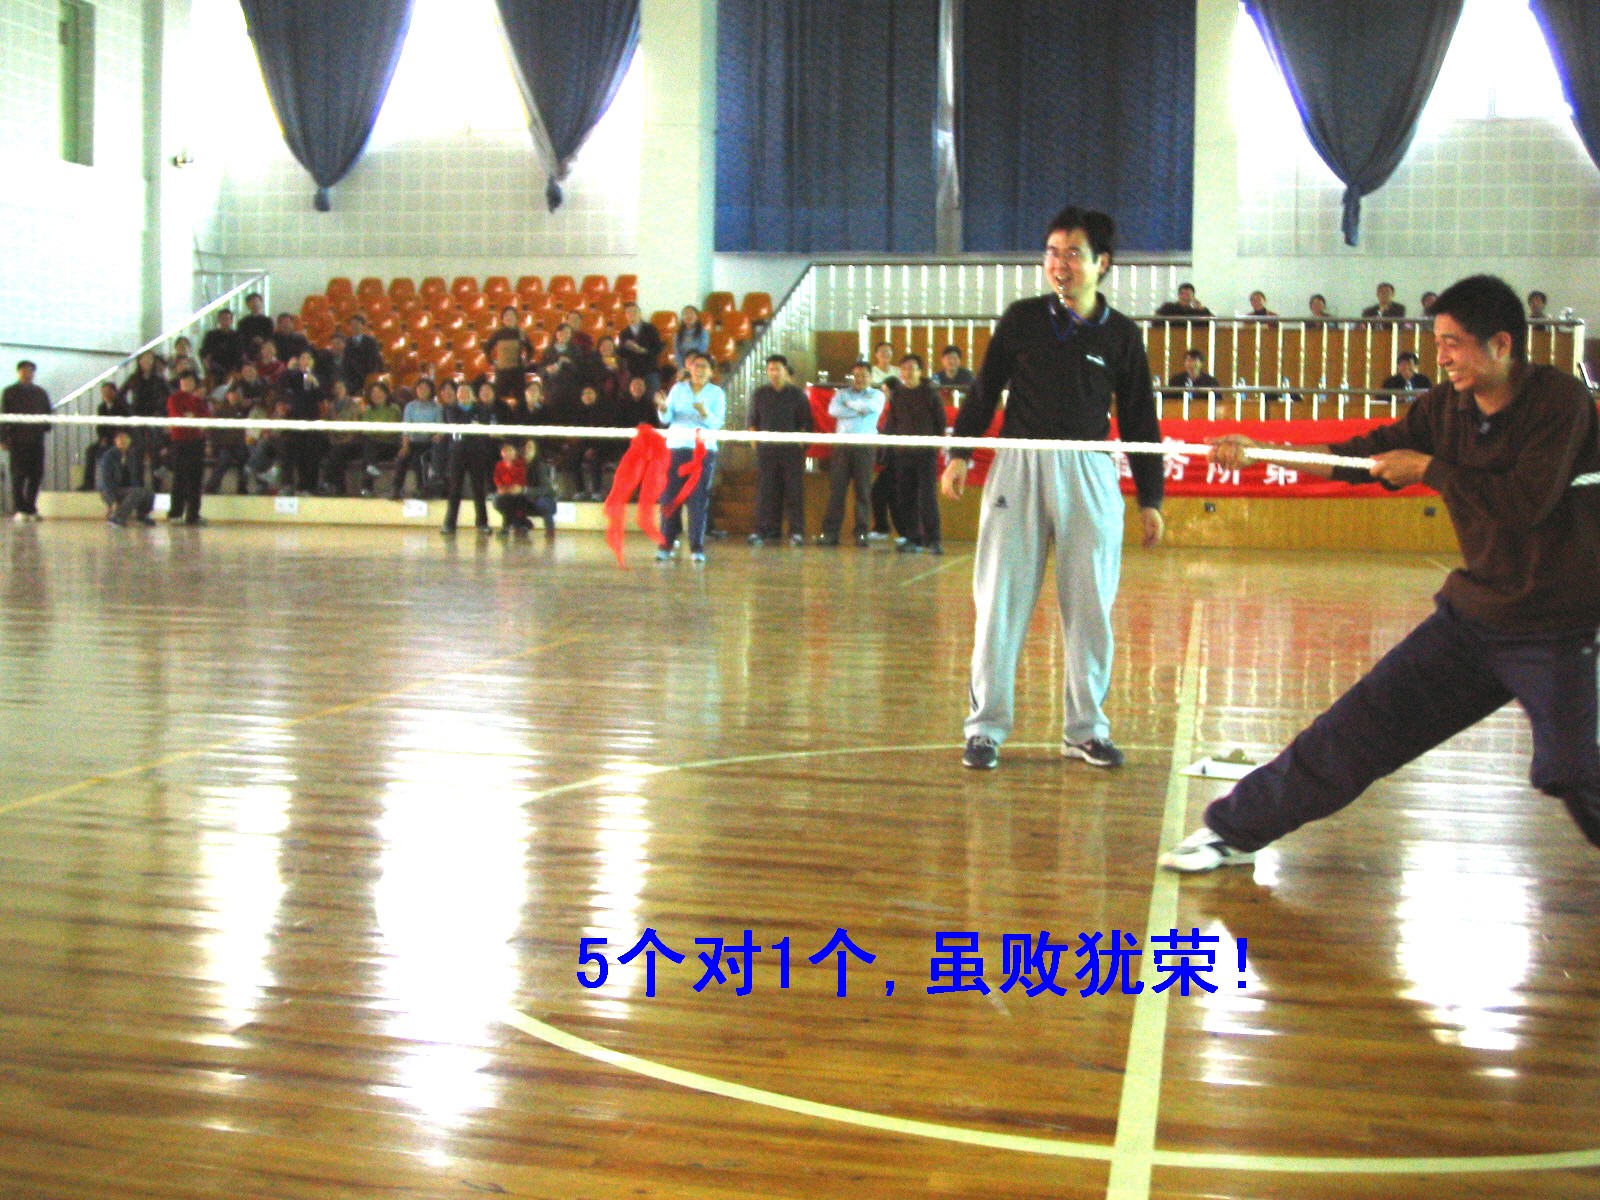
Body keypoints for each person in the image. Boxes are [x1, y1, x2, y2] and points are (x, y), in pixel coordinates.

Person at [1161, 274, 1600, 872]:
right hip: (1475, 618)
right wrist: (1260, 449)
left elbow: (1526, 502)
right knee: (1357, 728)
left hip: (1560, 628)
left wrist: (1428, 469)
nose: (1441, 357)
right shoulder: (1445, 408)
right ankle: (1233, 831)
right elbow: (1360, 458)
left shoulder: (1559, 402)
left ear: (1501, 345)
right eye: (1438, 342)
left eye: (1453, 343)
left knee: (1574, 770)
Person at [941, 205, 1165, 771]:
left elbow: (1140, 418)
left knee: (1090, 608)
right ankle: (985, 728)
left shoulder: (1121, 335)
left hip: (1088, 468)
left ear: (1102, 263)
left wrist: (1151, 499)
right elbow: (984, 390)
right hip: (1018, 465)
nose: (1059, 264)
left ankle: (1085, 730)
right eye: (1051, 252)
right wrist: (960, 453)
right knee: (999, 601)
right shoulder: (1021, 319)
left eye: (1073, 254)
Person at [654, 352, 725, 563]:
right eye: (696, 366)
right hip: (676, 447)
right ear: (689, 369)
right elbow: (667, 418)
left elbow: (717, 423)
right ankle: (665, 545)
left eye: (704, 366)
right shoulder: (678, 389)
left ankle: (696, 547)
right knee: (669, 498)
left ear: (711, 372)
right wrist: (663, 408)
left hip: (702, 450)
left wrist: (703, 412)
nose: (699, 370)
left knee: (697, 499)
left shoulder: (716, 393)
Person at [818, 361, 886, 547]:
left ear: (871, 377)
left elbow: (872, 409)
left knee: (863, 491)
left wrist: (848, 405)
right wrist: (859, 409)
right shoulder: (841, 393)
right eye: (856, 375)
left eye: (864, 375)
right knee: (837, 491)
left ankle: (862, 533)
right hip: (842, 446)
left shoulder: (877, 395)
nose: (860, 379)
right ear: (851, 377)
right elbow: (833, 410)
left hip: (865, 447)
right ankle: (830, 533)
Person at [747, 354, 813, 546]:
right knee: (765, 492)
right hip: (766, 451)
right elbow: (753, 421)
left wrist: (800, 446)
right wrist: (755, 443)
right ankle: (764, 530)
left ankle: (796, 532)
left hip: (791, 452)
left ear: (785, 370)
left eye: (777, 369)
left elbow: (806, 424)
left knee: (794, 492)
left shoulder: (797, 395)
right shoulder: (760, 394)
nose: (774, 373)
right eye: (770, 369)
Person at [883, 353, 944, 554]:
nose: (907, 372)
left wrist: (933, 445)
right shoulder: (897, 395)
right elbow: (892, 422)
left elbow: (940, 423)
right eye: (904, 369)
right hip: (903, 455)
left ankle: (933, 539)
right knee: (905, 497)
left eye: (912, 368)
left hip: (926, 454)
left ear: (920, 371)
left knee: (927, 498)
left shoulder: (930, 393)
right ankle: (913, 539)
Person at [440, 377, 495, 535]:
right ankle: (449, 524)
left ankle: (482, 523)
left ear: (472, 394)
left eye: (466, 392)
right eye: (460, 392)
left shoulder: (482, 409)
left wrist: (473, 425)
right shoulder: (451, 409)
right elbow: (457, 424)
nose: (463, 394)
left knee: (478, 489)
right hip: (457, 452)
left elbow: (484, 425)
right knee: (455, 489)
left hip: (477, 452)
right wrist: (472, 424)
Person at [2, 360, 50, 522]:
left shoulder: (40, 393)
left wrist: (44, 427)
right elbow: (4, 415)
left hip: (36, 439)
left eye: (29, 371)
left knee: (36, 475)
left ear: (33, 373)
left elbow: (47, 413)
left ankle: (30, 508)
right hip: (17, 440)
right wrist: (3, 438)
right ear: (18, 372)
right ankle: (20, 508)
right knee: (18, 475)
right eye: (23, 370)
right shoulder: (9, 392)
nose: (26, 373)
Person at [166, 369, 210, 525]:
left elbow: (205, 417)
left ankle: (193, 515)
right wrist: (192, 418)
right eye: (183, 381)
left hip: (196, 442)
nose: (186, 384)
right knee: (179, 478)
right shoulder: (174, 398)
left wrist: (193, 417)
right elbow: (178, 416)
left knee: (195, 479)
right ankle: (175, 513)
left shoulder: (198, 400)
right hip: (180, 442)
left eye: (190, 381)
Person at [392, 377, 445, 499]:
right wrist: (405, 445)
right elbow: (406, 427)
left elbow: (440, 427)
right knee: (401, 458)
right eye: (420, 388)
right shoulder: (410, 406)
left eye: (426, 388)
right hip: (412, 441)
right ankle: (396, 488)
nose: (422, 390)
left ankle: (421, 489)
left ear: (431, 390)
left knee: (418, 458)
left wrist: (438, 435)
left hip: (428, 443)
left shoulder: (437, 407)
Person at [97, 429, 156, 526]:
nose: (123, 441)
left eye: (125, 439)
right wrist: (113, 500)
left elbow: (135, 478)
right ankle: (117, 517)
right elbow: (105, 481)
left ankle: (142, 516)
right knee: (137, 492)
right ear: (115, 441)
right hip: (111, 490)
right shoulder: (108, 457)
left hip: (128, 489)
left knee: (149, 492)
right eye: (120, 438)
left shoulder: (132, 455)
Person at [81, 380, 130, 491]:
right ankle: (88, 483)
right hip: (106, 440)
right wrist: (102, 438)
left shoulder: (122, 406)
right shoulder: (102, 407)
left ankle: (121, 484)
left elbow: (124, 426)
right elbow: (100, 426)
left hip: (119, 440)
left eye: (108, 392)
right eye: (104, 392)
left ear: (114, 392)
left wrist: (116, 438)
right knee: (91, 451)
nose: (106, 394)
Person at [483, 306, 534, 399]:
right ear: (502, 319)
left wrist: (526, 361)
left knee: (520, 399)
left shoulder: (521, 333)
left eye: (512, 315)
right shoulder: (498, 334)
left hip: (517, 372)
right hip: (502, 372)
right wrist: (491, 362)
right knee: (500, 399)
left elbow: (530, 349)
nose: (509, 318)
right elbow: (487, 348)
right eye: (506, 315)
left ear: (516, 318)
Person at [617, 302, 664, 392]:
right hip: (633, 371)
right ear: (626, 316)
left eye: (634, 311)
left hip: (649, 370)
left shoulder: (650, 329)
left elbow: (658, 349)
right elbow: (622, 353)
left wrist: (642, 350)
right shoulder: (624, 333)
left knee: (653, 396)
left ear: (640, 313)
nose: (632, 314)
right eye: (629, 312)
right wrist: (626, 347)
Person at [492, 441, 535, 536]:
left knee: (513, 502)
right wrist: (501, 487)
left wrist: (514, 488)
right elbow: (496, 477)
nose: (508, 453)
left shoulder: (520, 463)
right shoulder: (499, 464)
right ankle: (522, 522)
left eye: (510, 450)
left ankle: (507, 526)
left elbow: (521, 478)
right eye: (505, 451)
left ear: (515, 452)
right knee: (501, 501)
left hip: (518, 491)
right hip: (505, 491)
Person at [199, 309, 244, 377]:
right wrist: (208, 365)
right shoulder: (211, 335)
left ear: (231, 321)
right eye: (222, 319)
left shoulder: (237, 336)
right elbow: (204, 352)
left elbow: (240, 354)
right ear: (219, 320)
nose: (225, 321)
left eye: (227, 319)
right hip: (215, 369)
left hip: (233, 369)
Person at [673, 306, 710, 375]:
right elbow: (677, 353)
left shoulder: (703, 332)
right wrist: (682, 368)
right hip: (683, 367)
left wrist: (693, 367)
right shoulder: (678, 334)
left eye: (691, 313)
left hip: (698, 366)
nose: (688, 316)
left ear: (697, 317)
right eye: (685, 314)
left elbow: (702, 351)